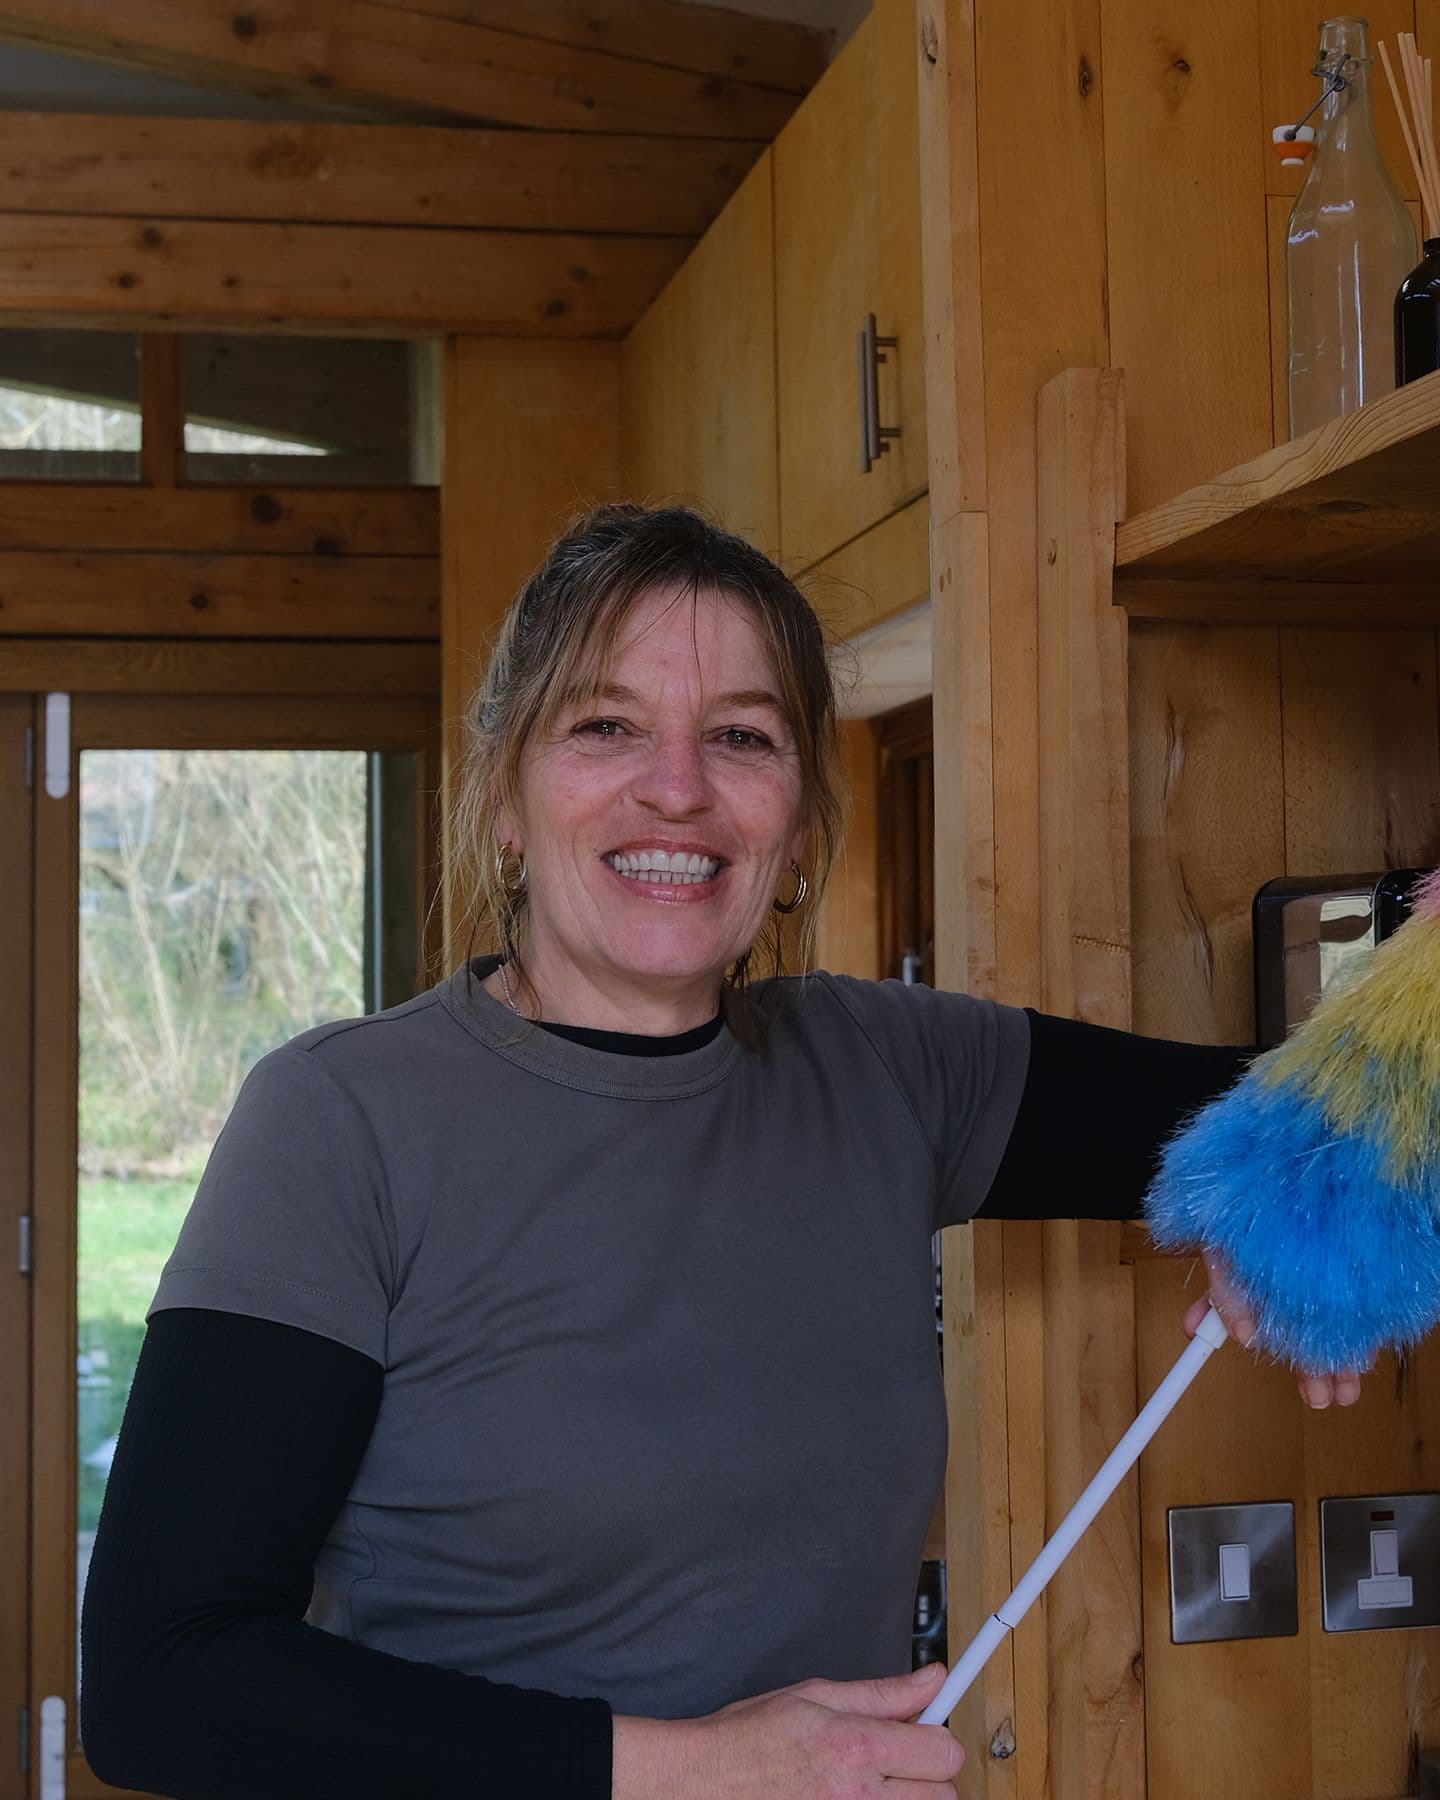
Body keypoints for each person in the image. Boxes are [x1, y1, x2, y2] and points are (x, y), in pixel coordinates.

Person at [80, 505, 1360, 1800]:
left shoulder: (892, 1069)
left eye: (742, 736)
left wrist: (1298, 1212)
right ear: (505, 795)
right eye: (606, 725)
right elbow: (159, 1684)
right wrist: (697, 1769)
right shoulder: (339, 1119)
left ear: (796, 822)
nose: (678, 788)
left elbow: (1337, 1123)